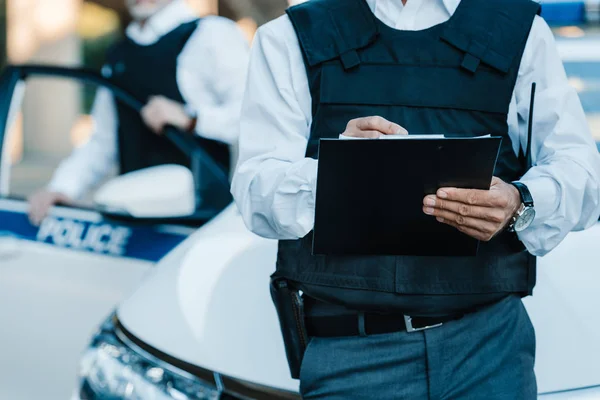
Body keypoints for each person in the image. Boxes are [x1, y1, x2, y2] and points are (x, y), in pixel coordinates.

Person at [232, 0, 600, 398]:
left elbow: (583, 172)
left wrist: (520, 201)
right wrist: (336, 172)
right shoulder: (291, 35)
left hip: (489, 350)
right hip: (352, 359)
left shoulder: (522, 30)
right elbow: (254, 192)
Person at [28, 0, 249, 225]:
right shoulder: (120, 54)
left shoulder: (212, 35)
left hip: (200, 226)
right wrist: (61, 188)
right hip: (133, 225)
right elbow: (103, 142)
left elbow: (252, 118)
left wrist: (191, 119)